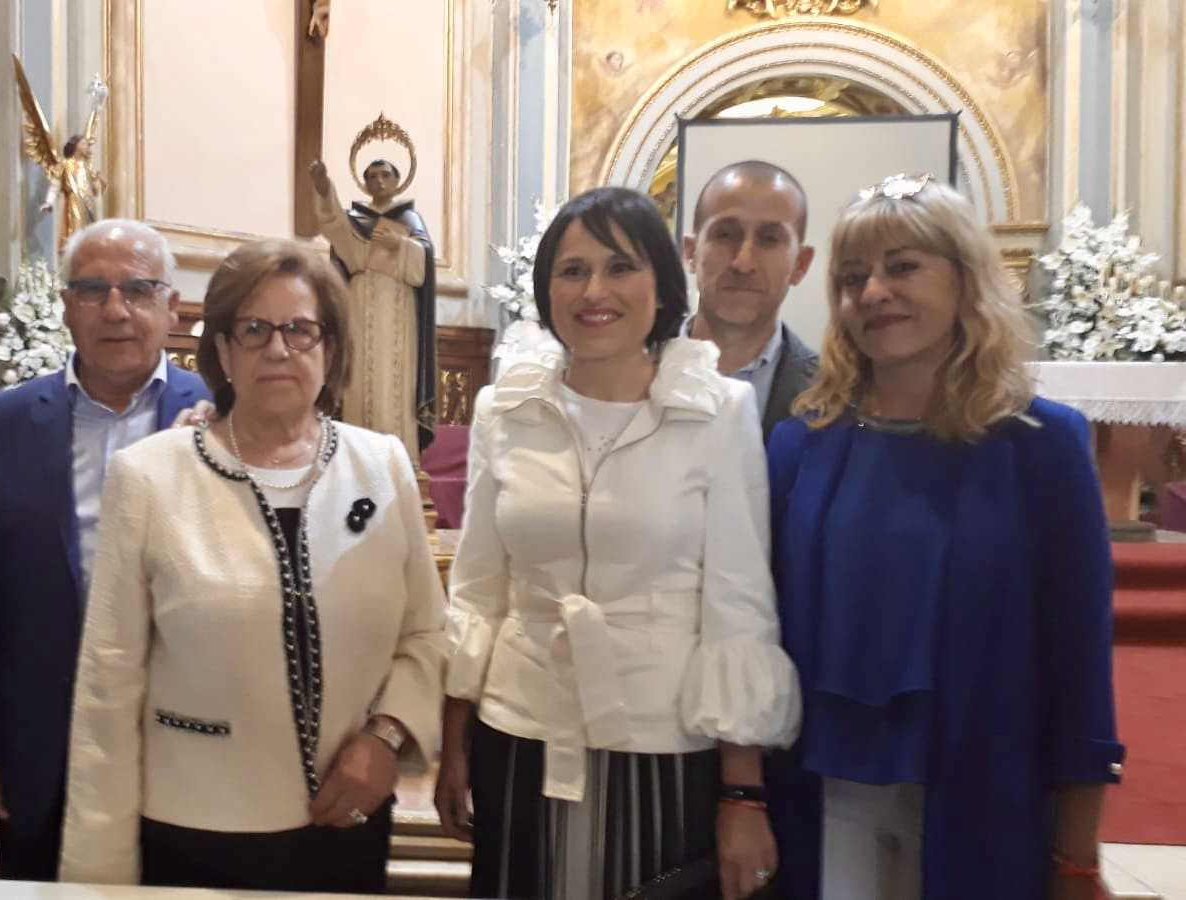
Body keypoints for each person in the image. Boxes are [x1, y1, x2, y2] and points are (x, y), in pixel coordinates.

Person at [436, 186, 801, 900]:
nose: (594, 290)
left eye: (619, 267)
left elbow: (738, 607)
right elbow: (479, 587)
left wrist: (743, 795)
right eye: (571, 271)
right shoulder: (506, 409)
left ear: (663, 283)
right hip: (519, 730)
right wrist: (454, 746)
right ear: (546, 288)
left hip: (660, 739)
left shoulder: (716, 411)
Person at [765, 175, 1124, 900]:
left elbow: (1079, 657)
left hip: (982, 793)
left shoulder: (1042, 446)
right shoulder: (799, 446)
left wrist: (1077, 851)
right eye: (852, 277)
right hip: (820, 787)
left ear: (966, 280)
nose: (872, 293)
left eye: (903, 267)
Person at [59, 239, 447, 892]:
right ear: (223, 349)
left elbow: (426, 632)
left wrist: (386, 737)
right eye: (255, 329)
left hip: (346, 817)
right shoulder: (151, 476)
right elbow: (108, 686)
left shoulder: (380, 466)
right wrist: (98, 875)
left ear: (331, 346)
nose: (278, 348)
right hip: (198, 829)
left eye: (300, 329)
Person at [0, 219, 210, 880]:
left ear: (172, 308)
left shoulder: (226, 417)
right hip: (41, 745)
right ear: (65, 307)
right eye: (92, 290)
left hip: (186, 741)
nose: (115, 310)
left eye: (138, 290)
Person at [308, 155, 437, 465]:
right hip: (360, 302)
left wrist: (400, 245)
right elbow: (333, 226)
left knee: (395, 384)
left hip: (398, 309)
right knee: (359, 381)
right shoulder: (354, 218)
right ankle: (354, 462)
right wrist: (324, 188)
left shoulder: (410, 220)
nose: (379, 181)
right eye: (372, 176)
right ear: (364, 182)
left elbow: (423, 265)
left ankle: (399, 464)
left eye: (385, 175)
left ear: (397, 181)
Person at [683, 160, 820, 437]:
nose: (743, 263)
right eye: (725, 235)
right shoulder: (630, 371)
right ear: (691, 253)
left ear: (801, 264)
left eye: (769, 239)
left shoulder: (833, 396)